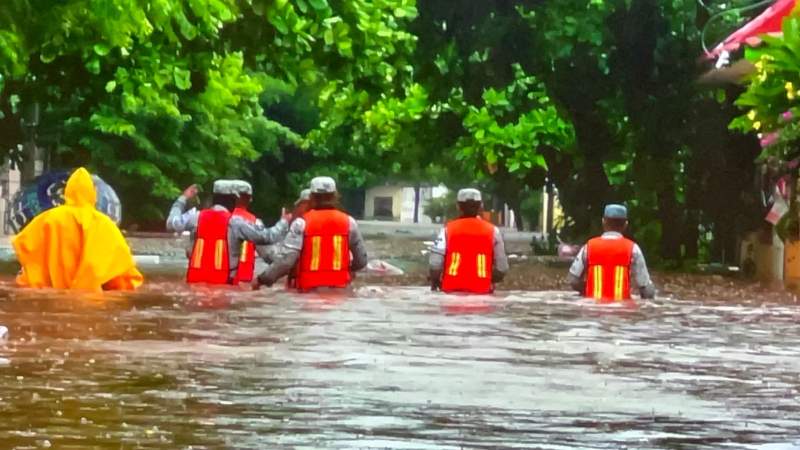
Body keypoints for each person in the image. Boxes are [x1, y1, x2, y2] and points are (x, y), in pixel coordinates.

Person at [12, 167, 143, 290]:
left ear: (67, 191)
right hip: (92, 297)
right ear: (93, 193)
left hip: (48, 292)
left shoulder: (47, 218)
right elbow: (125, 277)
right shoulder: (106, 224)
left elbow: (24, 245)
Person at [254, 177, 368, 291]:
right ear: (335, 196)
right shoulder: (349, 222)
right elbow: (361, 260)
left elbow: (286, 261)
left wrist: (262, 280)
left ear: (312, 197)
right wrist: (349, 270)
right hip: (340, 290)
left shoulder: (301, 223)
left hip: (309, 290)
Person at [166, 180, 290, 285]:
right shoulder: (236, 223)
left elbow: (171, 223)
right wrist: (284, 222)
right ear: (233, 200)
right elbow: (269, 237)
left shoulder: (195, 217)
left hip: (194, 285)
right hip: (225, 288)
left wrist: (183, 199)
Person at [567, 204, 656, 302]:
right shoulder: (633, 249)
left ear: (603, 222)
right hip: (622, 309)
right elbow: (646, 290)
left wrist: (587, 290)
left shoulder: (589, 246)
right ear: (625, 224)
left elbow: (573, 280)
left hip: (592, 309)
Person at [429, 188, 509, 294]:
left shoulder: (447, 230)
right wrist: (487, 279)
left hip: (451, 291)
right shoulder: (493, 231)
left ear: (458, 206)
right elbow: (502, 268)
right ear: (481, 206)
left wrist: (435, 282)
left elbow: (435, 265)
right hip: (482, 293)